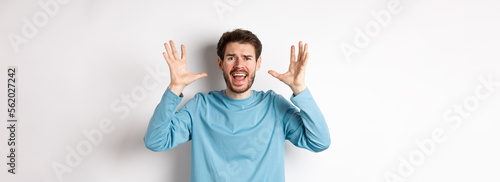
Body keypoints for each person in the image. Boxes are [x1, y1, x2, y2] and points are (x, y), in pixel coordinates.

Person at [144, 29, 330, 182]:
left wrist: (300, 89)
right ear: (220, 63)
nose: (239, 65)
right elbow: (155, 141)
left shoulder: (274, 106)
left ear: (257, 63)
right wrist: (174, 88)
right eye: (231, 58)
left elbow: (319, 142)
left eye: (247, 58)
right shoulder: (200, 107)